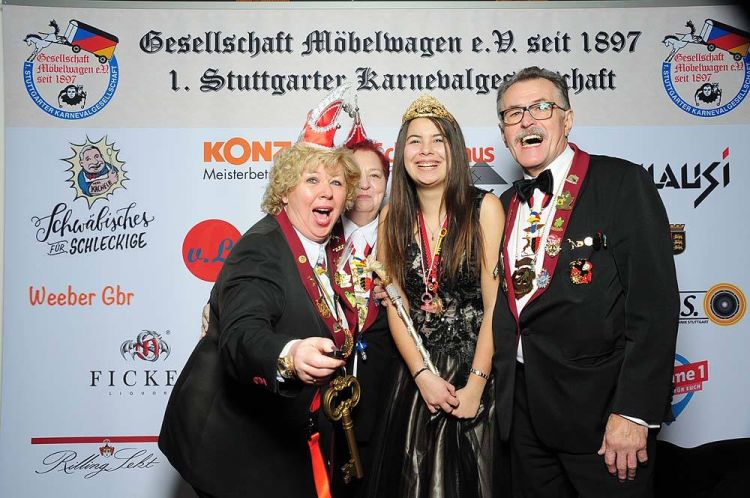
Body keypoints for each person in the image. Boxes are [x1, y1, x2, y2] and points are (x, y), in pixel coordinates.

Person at [159, 85, 362, 498]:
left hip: (291, 440)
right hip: (233, 452)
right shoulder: (261, 249)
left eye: (337, 182)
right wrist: (289, 355)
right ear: (285, 191)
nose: (326, 191)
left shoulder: (327, 250)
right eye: (312, 180)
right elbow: (242, 334)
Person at [491, 66, 679, 498]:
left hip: (603, 420)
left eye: (541, 107)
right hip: (522, 418)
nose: (527, 121)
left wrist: (634, 412)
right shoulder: (504, 203)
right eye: (514, 113)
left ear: (568, 119)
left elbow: (654, 305)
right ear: (503, 133)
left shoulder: (620, 182)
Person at [366, 94, 504, 498]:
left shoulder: (484, 208)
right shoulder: (391, 217)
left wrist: (476, 385)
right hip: (416, 378)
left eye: (438, 140)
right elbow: (396, 305)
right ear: (402, 152)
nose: (426, 151)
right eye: (415, 141)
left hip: (477, 373)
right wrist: (422, 375)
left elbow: (495, 307)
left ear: (455, 149)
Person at [330, 134, 398, 498]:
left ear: (387, 182)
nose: (366, 185)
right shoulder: (319, 235)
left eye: (376, 176)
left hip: (386, 383)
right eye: (356, 175)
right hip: (328, 387)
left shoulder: (403, 237)